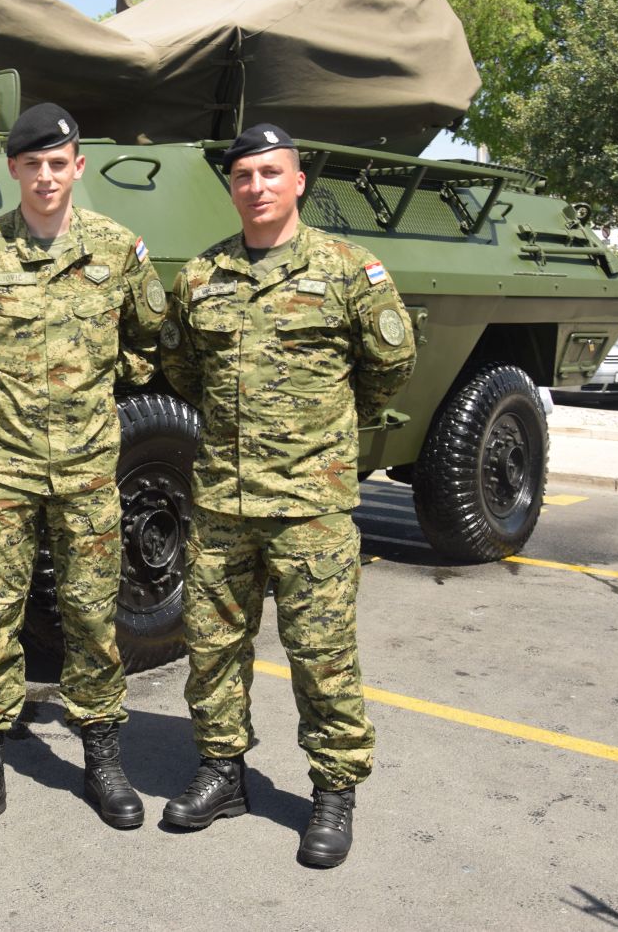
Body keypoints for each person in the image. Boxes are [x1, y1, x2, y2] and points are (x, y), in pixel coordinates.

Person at [158, 123, 415, 868]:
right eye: (244, 176)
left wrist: (319, 436)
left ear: (298, 181)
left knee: (322, 654)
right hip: (222, 503)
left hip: (311, 504)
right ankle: (222, 770)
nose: (257, 186)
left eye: (272, 173)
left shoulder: (347, 270)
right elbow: (184, 371)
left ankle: (333, 791)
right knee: (212, 649)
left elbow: (387, 368)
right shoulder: (202, 276)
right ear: (232, 187)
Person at [0, 103, 163, 843]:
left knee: (93, 614)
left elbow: (149, 340)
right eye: (33, 163)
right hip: (3, 463)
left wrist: (97, 390)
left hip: (90, 462)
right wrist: (7, 404)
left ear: (78, 166)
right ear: (15, 170)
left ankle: (102, 756)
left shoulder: (119, 250)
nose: (47, 175)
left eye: (59, 162)